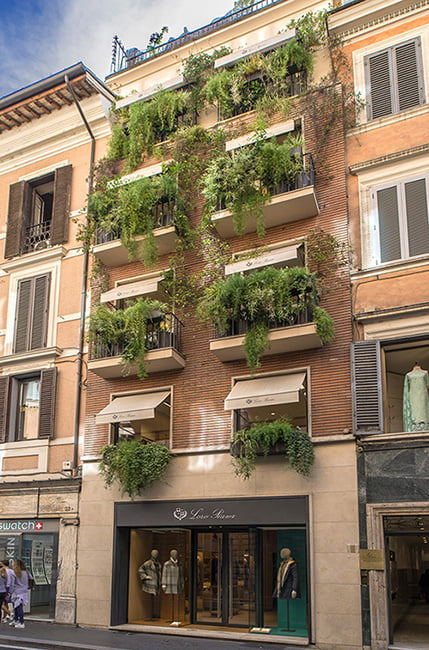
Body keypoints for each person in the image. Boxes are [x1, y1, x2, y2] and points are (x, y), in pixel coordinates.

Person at [9, 559, 33, 629]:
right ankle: (17, 620)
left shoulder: (14, 573)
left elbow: (12, 584)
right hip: (24, 591)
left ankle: (21, 622)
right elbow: (31, 578)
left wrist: (10, 592)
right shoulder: (26, 572)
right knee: (18, 607)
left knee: (18, 607)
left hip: (16, 592)